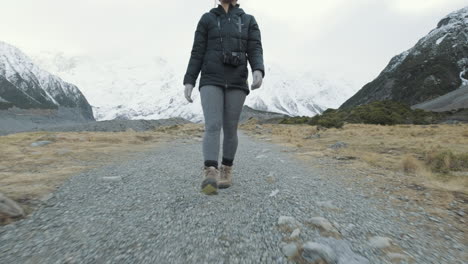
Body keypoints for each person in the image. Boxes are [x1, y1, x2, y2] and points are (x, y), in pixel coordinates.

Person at [183, 0, 265, 195]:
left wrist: (258, 69)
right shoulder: (207, 19)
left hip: (237, 79)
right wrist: (189, 80)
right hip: (211, 77)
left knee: (230, 128)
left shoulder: (249, 21)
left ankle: (226, 169)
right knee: (212, 125)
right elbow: (197, 51)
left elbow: (255, 49)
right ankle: (210, 172)